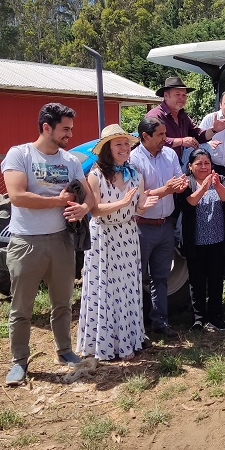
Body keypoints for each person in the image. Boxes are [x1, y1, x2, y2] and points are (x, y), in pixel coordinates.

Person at [1, 102, 95, 385]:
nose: (70, 134)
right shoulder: (20, 155)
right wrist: (58, 201)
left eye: (71, 129)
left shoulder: (71, 161)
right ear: (46, 127)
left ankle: (64, 350)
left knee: (63, 303)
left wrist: (82, 209)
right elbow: (17, 196)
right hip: (26, 242)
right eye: (65, 129)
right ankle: (19, 361)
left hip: (61, 241)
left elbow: (89, 196)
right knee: (22, 308)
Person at [76, 124, 158, 361]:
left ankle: (127, 341)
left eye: (126, 144)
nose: (124, 148)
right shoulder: (95, 175)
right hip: (104, 236)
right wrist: (123, 203)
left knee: (127, 289)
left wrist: (142, 205)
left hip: (128, 235)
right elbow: (95, 210)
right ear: (107, 149)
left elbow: (139, 204)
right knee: (105, 288)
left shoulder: (135, 174)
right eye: (118, 144)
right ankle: (103, 344)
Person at [129, 117, 189, 339]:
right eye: (161, 135)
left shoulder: (170, 155)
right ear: (145, 136)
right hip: (142, 227)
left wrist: (179, 186)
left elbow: (176, 180)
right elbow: (137, 196)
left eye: (165, 134)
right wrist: (165, 190)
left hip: (166, 225)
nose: (165, 139)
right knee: (136, 277)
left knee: (161, 277)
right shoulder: (134, 160)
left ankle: (160, 322)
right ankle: (134, 325)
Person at [176, 148, 225, 332]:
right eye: (198, 163)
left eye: (206, 163)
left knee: (216, 280)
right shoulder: (186, 182)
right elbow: (188, 204)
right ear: (190, 167)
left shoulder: (221, 179)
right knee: (197, 281)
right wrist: (203, 188)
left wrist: (215, 185)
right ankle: (198, 318)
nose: (203, 166)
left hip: (218, 240)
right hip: (195, 242)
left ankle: (216, 316)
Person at [147, 76, 225, 164]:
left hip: (178, 161)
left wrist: (214, 130)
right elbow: (152, 140)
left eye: (184, 95)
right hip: (158, 163)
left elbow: (197, 134)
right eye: (177, 94)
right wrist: (181, 141)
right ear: (166, 96)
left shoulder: (182, 115)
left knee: (206, 147)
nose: (182, 98)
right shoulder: (155, 116)